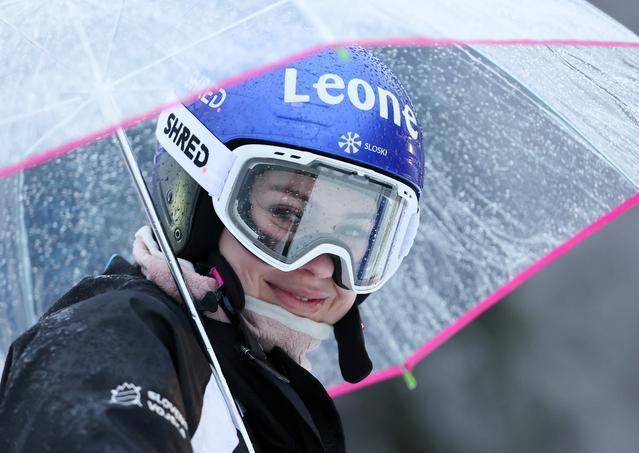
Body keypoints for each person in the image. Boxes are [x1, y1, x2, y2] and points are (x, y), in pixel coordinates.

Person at [0, 47, 424, 452]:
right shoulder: (114, 346)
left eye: (355, 233)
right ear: (200, 207)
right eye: (287, 215)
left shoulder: (256, 383)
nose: (321, 266)